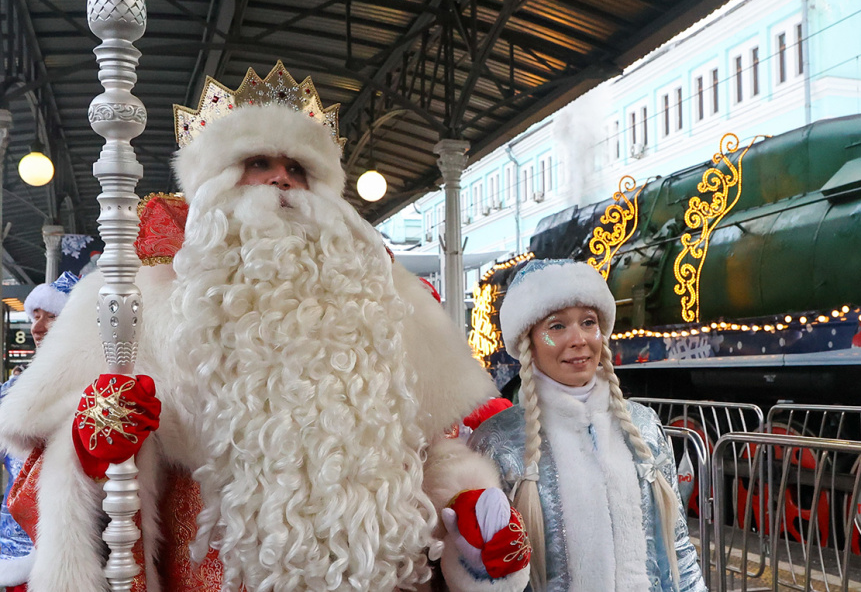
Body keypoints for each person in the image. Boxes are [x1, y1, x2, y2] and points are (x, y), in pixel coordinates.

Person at [0, 63, 527, 592]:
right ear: (213, 182)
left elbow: (429, 450)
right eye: (258, 163)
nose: (281, 179)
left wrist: (468, 512)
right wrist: (89, 444)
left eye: (298, 167)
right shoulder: (136, 294)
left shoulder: (382, 297)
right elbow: (41, 470)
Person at [464, 259, 707, 592]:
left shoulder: (644, 426)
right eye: (557, 326)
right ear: (528, 342)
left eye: (588, 322)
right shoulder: (497, 443)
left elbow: (678, 551)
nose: (578, 339)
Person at [0, 272, 78, 591]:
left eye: (52, 316)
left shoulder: (95, 386)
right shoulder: (10, 391)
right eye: (35, 316)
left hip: (74, 544)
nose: (38, 327)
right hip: (16, 548)